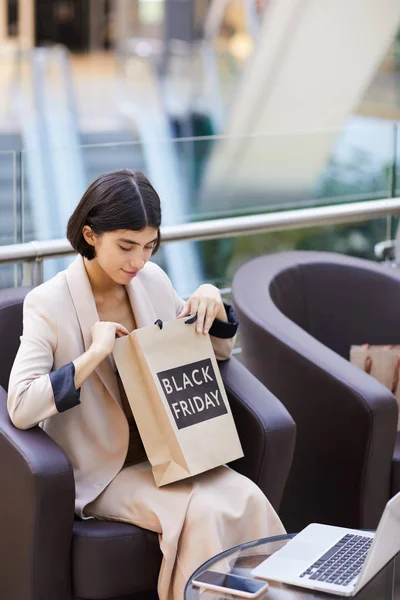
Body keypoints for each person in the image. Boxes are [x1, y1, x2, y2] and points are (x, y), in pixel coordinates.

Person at [7, 169, 285, 600]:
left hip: (169, 454)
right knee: (204, 511)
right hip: (103, 471)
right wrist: (92, 355)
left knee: (247, 496)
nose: (138, 261)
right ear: (90, 234)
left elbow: (215, 355)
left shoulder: (152, 282)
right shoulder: (48, 303)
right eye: (126, 246)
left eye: (149, 246)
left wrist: (211, 301)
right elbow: (22, 406)